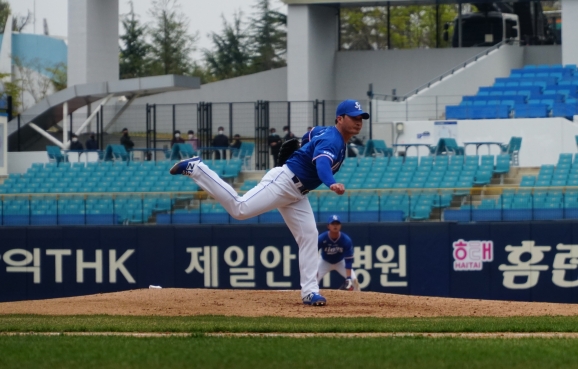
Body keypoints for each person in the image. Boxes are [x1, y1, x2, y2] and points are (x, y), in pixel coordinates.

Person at [169, 99, 369, 306]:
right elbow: (322, 164)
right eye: (354, 117)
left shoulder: (329, 134)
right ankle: (197, 169)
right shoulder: (333, 141)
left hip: (297, 193)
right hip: (283, 182)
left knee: (309, 236)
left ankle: (310, 292)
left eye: (361, 117)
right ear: (340, 118)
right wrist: (331, 183)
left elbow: (311, 135)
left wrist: (302, 146)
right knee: (240, 209)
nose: (359, 121)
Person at [317, 215, 360, 291]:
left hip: (340, 262)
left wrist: (348, 278)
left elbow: (348, 261)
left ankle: (359, 301)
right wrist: (314, 269)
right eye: (333, 224)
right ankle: (309, 296)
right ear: (328, 226)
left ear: (340, 226)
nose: (335, 226)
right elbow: (313, 254)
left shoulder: (346, 240)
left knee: (354, 281)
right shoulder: (321, 238)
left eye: (337, 224)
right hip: (324, 261)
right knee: (313, 280)